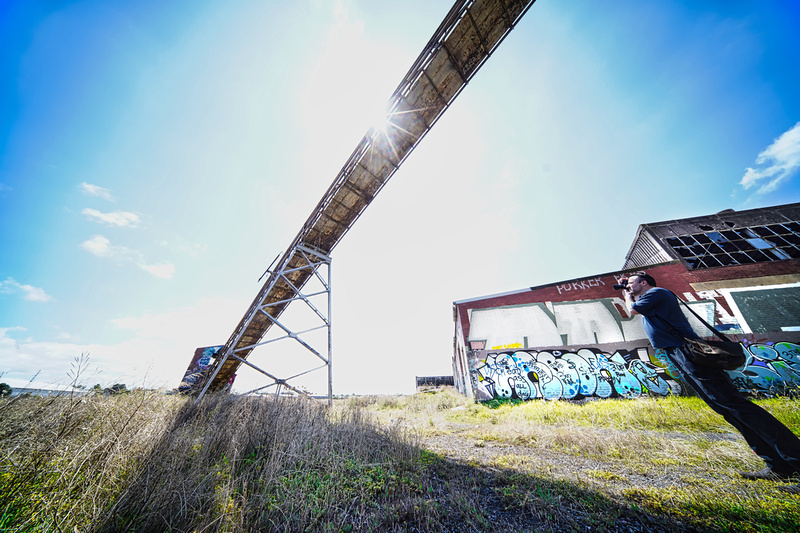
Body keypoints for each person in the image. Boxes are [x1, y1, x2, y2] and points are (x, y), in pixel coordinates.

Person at [621, 271, 800, 493]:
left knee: (736, 406)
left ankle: (795, 460)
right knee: (727, 409)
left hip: (687, 351)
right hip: (679, 353)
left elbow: (632, 310)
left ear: (644, 282)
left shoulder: (656, 293)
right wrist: (629, 291)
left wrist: (628, 294)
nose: (628, 286)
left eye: (631, 283)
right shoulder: (651, 299)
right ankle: (778, 466)